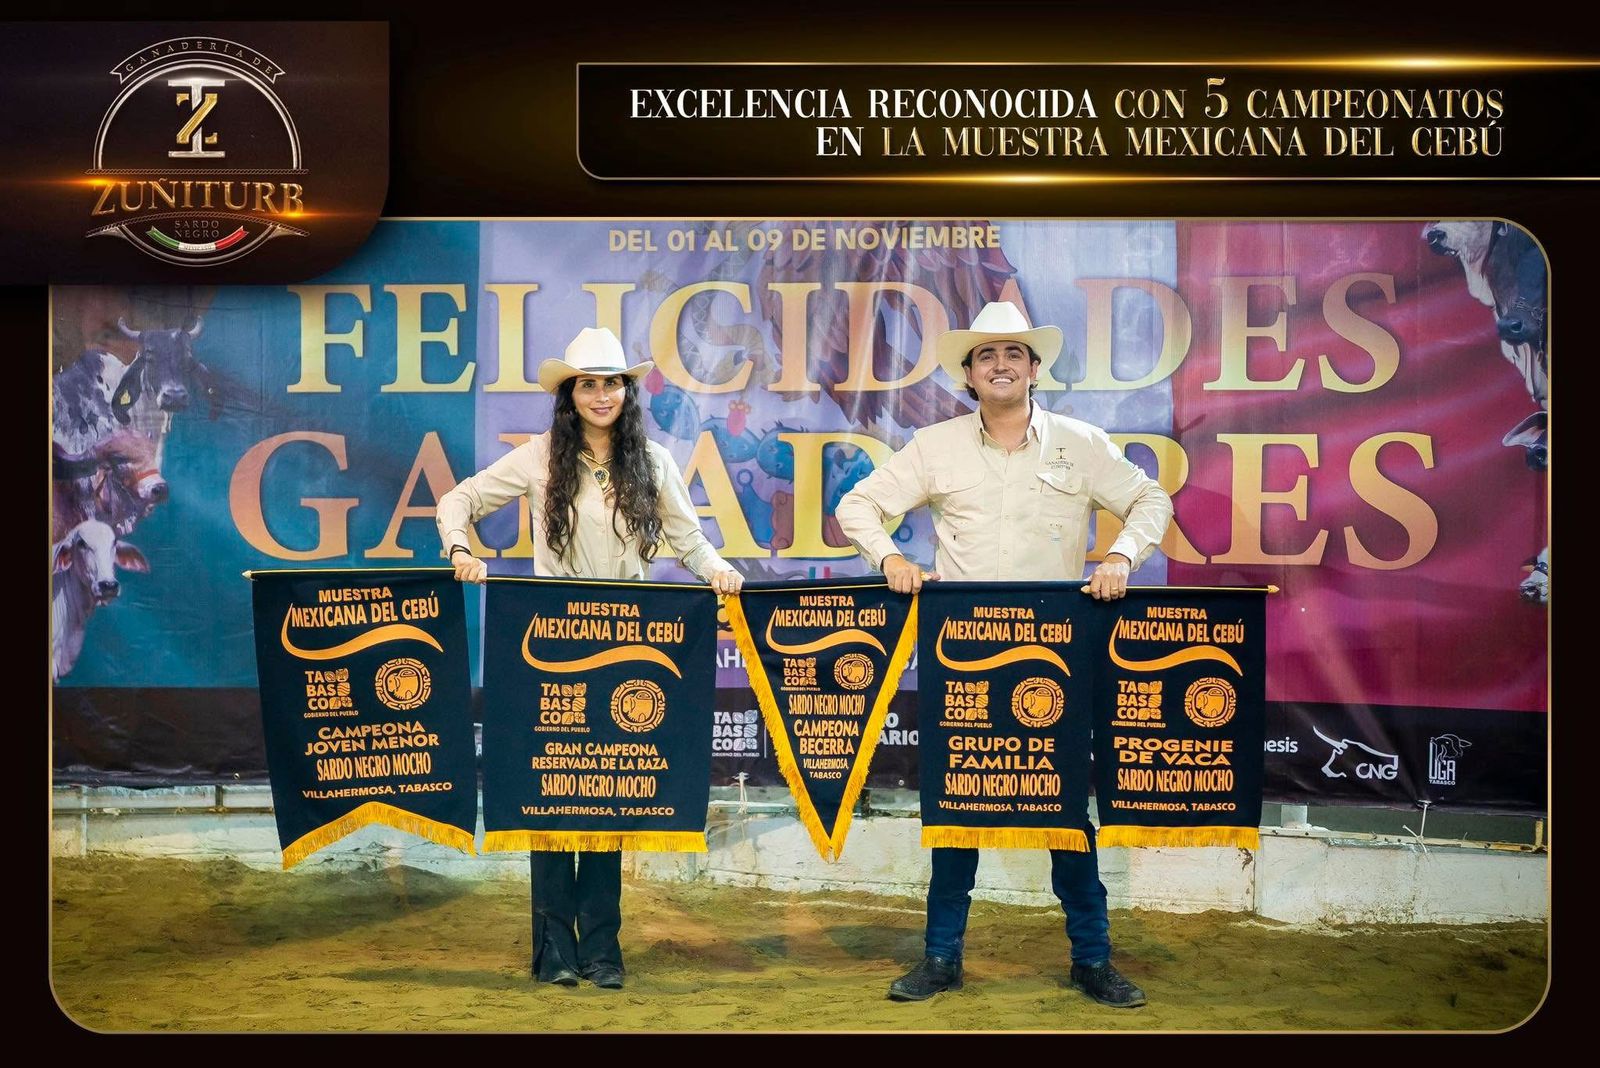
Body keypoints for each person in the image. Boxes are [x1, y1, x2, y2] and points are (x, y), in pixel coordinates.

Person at [836, 301, 1172, 1009]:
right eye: (986, 355)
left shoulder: (1080, 443)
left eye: (1013, 353)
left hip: (1057, 657)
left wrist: (1120, 556)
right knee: (956, 804)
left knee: (1065, 811)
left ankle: (1092, 958)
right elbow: (856, 507)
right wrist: (891, 558)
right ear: (969, 373)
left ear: (1034, 368)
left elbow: (1150, 501)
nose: (999, 365)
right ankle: (941, 957)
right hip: (963, 653)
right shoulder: (935, 445)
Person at [436, 326, 742, 991]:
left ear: (627, 392)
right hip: (550, 640)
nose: (601, 395)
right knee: (551, 793)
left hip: (627, 641)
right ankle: (554, 950)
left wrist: (719, 571)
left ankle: (603, 949)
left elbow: (690, 541)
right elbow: (460, 499)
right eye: (588, 384)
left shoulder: (652, 462)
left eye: (612, 384)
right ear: (569, 394)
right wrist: (460, 547)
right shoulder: (538, 457)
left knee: (608, 790)